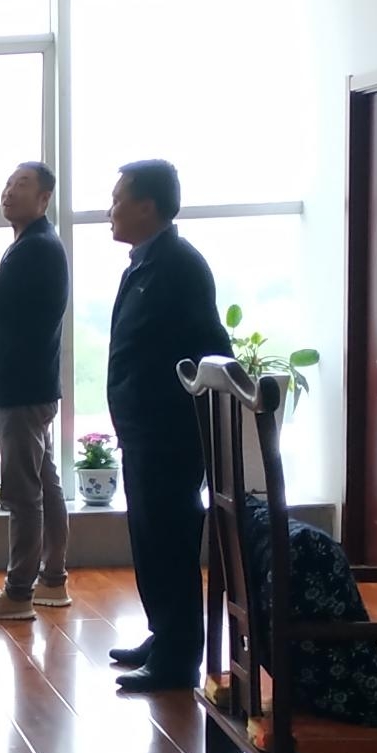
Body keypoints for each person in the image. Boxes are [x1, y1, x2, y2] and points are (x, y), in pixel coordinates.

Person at [103, 157, 230, 692]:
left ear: (147, 207)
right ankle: (164, 635)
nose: (110, 211)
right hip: (142, 432)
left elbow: (212, 348)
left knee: (171, 543)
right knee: (149, 539)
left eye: (118, 200)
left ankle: (178, 659)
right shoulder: (145, 262)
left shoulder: (179, 266)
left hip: (170, 434)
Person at [0, 161, 71, 621]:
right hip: (32, 384)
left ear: (44, 199)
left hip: (21, 388)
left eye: (22, 185)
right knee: (45, 481)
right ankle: (52, 581)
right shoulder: (35, 245)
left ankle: (18, 592)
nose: (9, 191)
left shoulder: (34, 249)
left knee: (24, 492)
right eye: (8, 184)